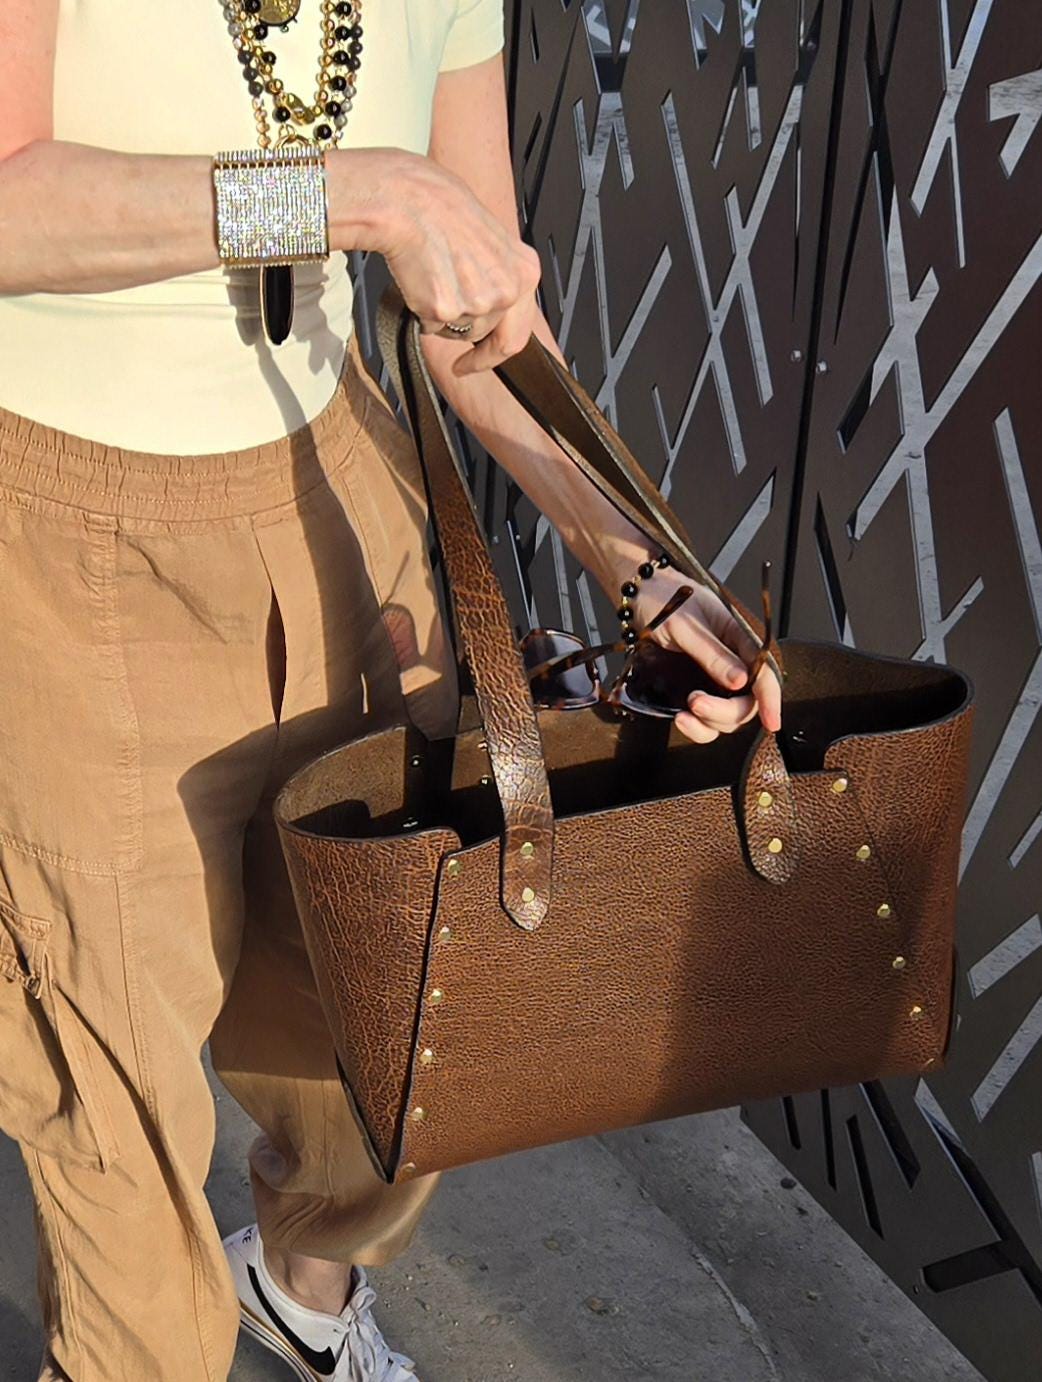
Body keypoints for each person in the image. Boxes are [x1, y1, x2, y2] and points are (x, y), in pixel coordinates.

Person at [0, 2, 782, 1379]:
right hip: (66, 525)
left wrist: (642, 575)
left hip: (338, 502)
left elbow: (482, 325)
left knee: (404, 1028)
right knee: (113, 1096)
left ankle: (302, 1296)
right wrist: (362, 193)